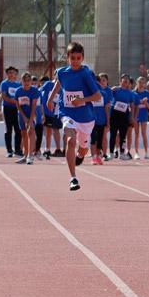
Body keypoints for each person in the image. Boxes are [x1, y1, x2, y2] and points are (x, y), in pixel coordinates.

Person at [46, 42, 101, 191]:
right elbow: (58, 84)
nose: (75, 61)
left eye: (78, 58)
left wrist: (81, 100)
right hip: (67, 112)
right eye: (72, 58)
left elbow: (97, 96)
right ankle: (73, 178)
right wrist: (50, 99)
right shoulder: (62, 72)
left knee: (83, 149)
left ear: (82, 58)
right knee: (70, 141)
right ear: (67, 58)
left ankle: (80, 155)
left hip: (86, 117)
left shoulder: (86, 74)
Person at [15, 72, 40, 164]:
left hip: (31, 114)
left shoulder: (34, 91)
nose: (27, 83)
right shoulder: (18, 91)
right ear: (21, 81)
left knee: (31, 131)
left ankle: (30, 155)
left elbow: (33, 106)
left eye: (29, 81)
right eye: (25, 81)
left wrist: (30, 119)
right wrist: (24, 117)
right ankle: (25, 156)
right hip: (22, 115)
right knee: (24, 134)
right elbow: (18, 105)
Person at [109, 74, 135, 160]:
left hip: (124, 115)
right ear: (121, 81)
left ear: (128, 83)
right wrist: (112, 89)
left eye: (126, 82)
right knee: (113, 134)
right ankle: (111, 153)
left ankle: (122, 153)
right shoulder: (115, 90)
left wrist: (131, 117)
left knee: (123, 135)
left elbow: (132, 105)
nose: (125, 83)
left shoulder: (130, 93)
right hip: (115, 114)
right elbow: (108, 93)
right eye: (123, 81)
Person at [0, 66, 23, 157]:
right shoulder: (4, 84)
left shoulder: (18, 85)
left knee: (18, 129)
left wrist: (18, 103)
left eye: (13, 72)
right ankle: (9, 150)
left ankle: (17, 149)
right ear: (7, 74)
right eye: (9, 72)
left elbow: (21, 97)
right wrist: (15, 101)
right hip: (7, 108)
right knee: (8, 129)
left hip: (17, 109)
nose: (11, 74)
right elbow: (4, 97)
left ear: (15, 74)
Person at [90, 73, 111, 165]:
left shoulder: (104, 94)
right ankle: (94, 156)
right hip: (91, 120)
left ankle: (98, 156)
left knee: (100, 140)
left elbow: (106, 109)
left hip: (102, 120)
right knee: (93, 139)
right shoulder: (89, 93)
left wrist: (108, 122)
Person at [40, 75, 63, 158]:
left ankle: (52, 149)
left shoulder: (62, 87)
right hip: (45, 112)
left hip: (54, 113)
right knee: (45, 131)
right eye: (57, 76)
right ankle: (44, 149)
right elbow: (40, 93)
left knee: (52, 131)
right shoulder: (48, 84)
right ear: (54, 76)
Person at [133, 76, 149, 160]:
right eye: (140, 82)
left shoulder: (147, 93)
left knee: (144, 134)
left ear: (145, 84)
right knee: (136, 134)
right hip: (135, 115)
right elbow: (132, 104)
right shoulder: (134, 93)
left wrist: (145, 103)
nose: (141, 84)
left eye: (143, 82)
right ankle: (136, 153)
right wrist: (140, 101)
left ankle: (146, 152)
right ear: (137, 83)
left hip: (144, 115)